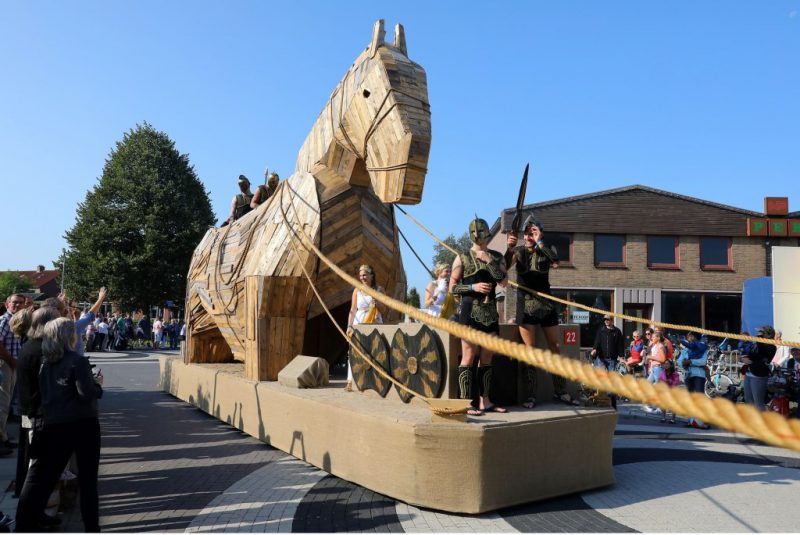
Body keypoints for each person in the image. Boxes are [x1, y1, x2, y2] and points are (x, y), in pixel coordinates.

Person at [15, 317, 103, 533]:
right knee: (88, 480)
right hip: (83, 424)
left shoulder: (46, 361)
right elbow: (86, 394)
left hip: (54, 424)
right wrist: (98, 385)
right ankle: (91, 527)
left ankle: (27, 520)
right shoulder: (76, 361)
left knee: (47, 474)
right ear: (69, 336)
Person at [505, 215, 573, 408]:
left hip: (546, 303)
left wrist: (540, 241)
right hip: (525, 304)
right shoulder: (518, 251)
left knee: (555, 345)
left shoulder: (546, 249)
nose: (528, 236)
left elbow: (556, 262)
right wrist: (509, 248)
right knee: (530, 351)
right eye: (526, 233)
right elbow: (502, 269)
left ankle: (560, 390)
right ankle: (531, 395)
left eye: (532, 233)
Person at [450, 217, 508, 416]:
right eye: (478, 234)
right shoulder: (462, 257)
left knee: (487, 357)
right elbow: (452, 287)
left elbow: (504, 282)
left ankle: (486, 401)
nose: (480, 237)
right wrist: (472, 287)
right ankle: (466, 402)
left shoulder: (497, 256)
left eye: (483, 233)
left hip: (490, 311)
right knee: (468, 356)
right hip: (469, 310)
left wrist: (489, 261)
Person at [15, 306, 62, 527]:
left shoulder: (30, 347)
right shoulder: (41, 350)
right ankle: (25, 519)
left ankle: (36, 512)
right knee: (38, 472)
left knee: (44, 471)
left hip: (37, 412)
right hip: (42, 415)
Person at [345, 265, 385, 392]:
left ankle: (375, 380)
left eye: (365, 275)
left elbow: (383, 308)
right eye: (361, 275)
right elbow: (352, 309)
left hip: (375, 319)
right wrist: (349, 325)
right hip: (360, 320)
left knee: (375, 350)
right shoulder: (357, 290)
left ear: (372, 275)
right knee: (356, 350)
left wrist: (376, 302)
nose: (362, 277)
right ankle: (351, 381)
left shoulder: (379, 289)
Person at [0, 294, 27, 454]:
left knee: (6, 403)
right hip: (4, 364)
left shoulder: (16, 320)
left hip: (11, 365)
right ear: (7, 304)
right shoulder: (5, 320)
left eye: (20, 303)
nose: (17, 305)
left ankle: (3, 437)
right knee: (2, 403)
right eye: (14, 302)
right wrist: (11, 360)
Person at [677, 331, 710, 429]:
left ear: (695, 337)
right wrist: (683, 363)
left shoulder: (702, 347)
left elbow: (703, 361)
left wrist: (690, 361)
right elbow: (679, 361)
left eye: (690, 336)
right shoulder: (686, 350)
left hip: (699, 375)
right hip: (688, 375)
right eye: (687, 337)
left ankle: (703, 421)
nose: (688, 338)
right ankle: (691, 420)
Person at [590, 314, 624, 409]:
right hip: (601, 358)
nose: (606, 321)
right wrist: (594, 349)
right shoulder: (601, 330)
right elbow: (597, 341)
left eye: (608, 320)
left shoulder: (617, 332)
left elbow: (620, 345)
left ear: (612, 321)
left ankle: (613, 403)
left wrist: (621, 356)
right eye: (605, 320)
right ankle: (599, 398)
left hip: (612, 359)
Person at [742, 326, 775, 411]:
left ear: (768, 335)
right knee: (748, 400)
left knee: (758, 402)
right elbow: (751, 355)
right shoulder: (756, 344)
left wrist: (752, 362)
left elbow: (763, 356)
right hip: (749, 373)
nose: (759, 334)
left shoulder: (771, 347)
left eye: (761, 333)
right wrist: (742, 359)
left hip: (759, 376)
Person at [659, 359, 681, 424]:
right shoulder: (663, 372)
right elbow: (660, 380)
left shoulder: (675, 373)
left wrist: (670, 381)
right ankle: (663, 417)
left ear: (671, 365)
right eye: (665, 364)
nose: (666, 365)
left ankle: (673, 419)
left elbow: (677, 382)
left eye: (667, 364)